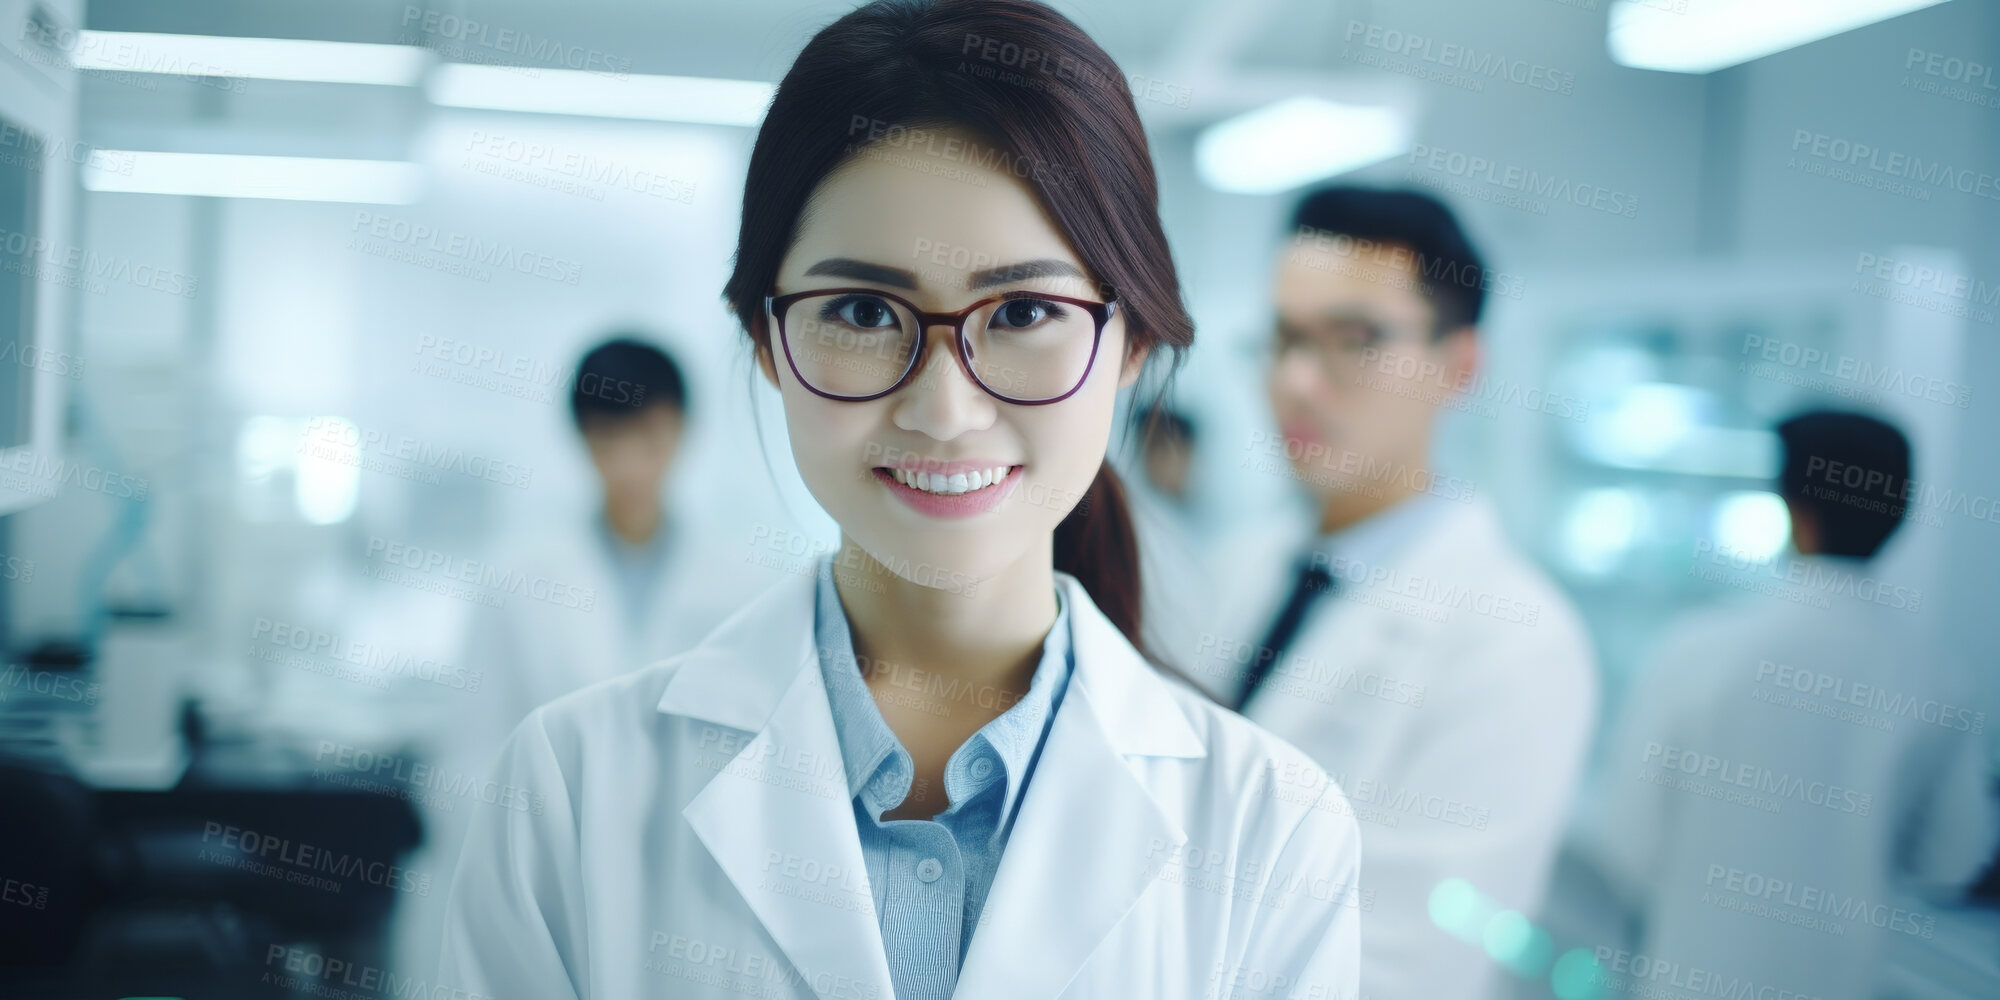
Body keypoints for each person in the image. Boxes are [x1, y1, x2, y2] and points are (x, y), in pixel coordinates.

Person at [437, 3, 1363, 998]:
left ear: (1127, 346)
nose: (943, 407)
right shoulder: (570, 792)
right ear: (767, 345)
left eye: (1020, 312)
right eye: (864, 311)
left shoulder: (1272, 829)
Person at [1184, 186, 1597, 1000]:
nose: (1298, 381)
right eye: (1283, 339)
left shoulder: (1514, 641)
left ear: (1462, 365)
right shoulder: (1243, 566)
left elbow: (1404, 972)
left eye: (1355, 339)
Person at [1576, 410, 1996, 999]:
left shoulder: (1699, 650)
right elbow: (1948, 862)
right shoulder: (1940, 680)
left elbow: (1625, 844)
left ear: (1792, 506)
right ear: (1901, 511)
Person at [453, 335, 755, 746]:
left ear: (682, 430)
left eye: (648, 437)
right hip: (553, 809)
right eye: (609, 438)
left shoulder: (740, 576)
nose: (629, 466)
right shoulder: (519, 571)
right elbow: (474, 736)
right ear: (581, 436)